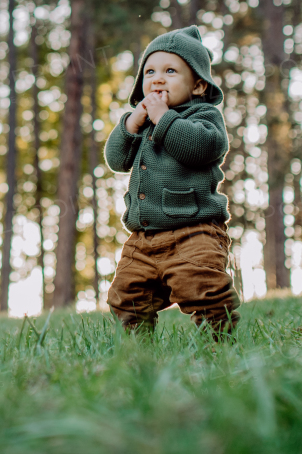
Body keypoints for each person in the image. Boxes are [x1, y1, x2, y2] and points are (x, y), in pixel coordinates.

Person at [102, 25, 240, 338]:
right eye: (149, 71)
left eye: (170, 71)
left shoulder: (203, 116)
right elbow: (116, 160)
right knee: (126, 296)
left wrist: (164, 118)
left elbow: (198, 147)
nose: (158, 78)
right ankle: (138, 348)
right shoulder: (142, 123)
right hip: (144, 239)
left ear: (199, 84)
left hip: (195, 231)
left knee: (203, 287)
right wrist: (130, 124)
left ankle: (217, 342)